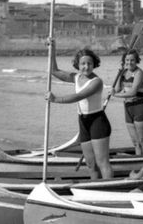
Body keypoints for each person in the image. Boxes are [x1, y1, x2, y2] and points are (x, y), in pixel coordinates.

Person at [45, 45, 113, 179]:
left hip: (98, 122)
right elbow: (54, 70)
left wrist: (55, 99)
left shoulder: (97, 82)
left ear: (94, 64)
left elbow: (78, 96)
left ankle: (109, 190)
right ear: (78, 64)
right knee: (90, 164)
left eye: (89, 63)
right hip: (83, 122)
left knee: (102, 162)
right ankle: (95, 190)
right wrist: (52, 49)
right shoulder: (76, 77)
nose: (86, 67)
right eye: (83, 63)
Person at [111, 49, 143, 155]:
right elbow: (117, 89)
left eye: (132, 60)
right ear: (124, 61)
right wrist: (119, 75)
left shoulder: (139, 73)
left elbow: (133, 92)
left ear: (137, 60)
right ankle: (139, 165)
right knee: (136, 143)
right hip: (128, 108)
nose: (129, 63)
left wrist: (115, 95)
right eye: (127, 60)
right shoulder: (124, 72)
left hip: (140, 107)